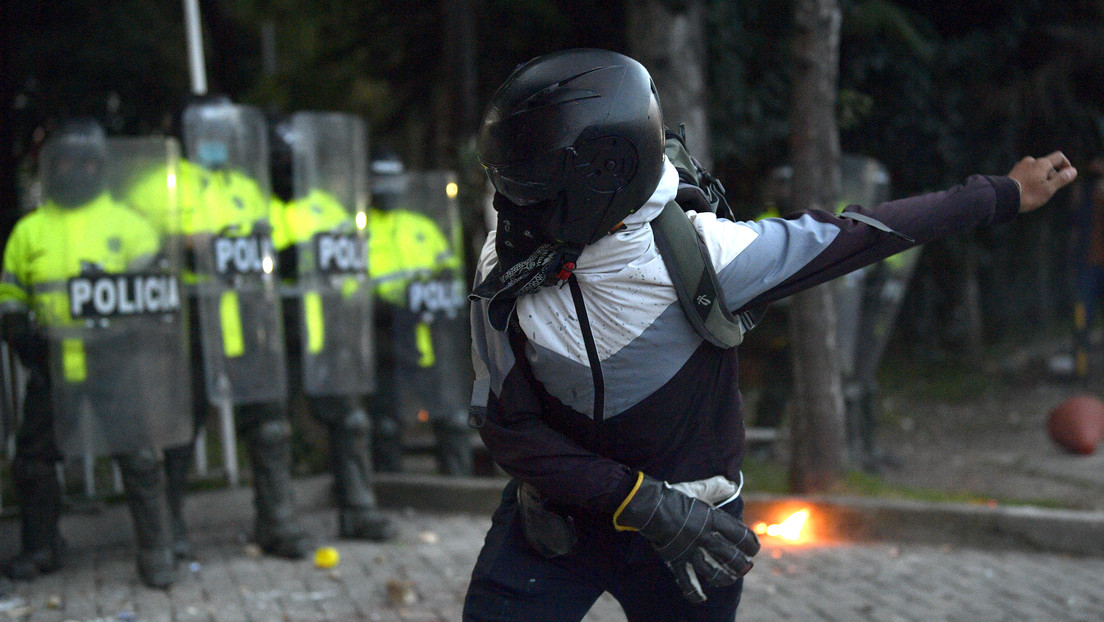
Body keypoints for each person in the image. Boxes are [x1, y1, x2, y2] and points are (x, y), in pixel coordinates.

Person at [462, 48, 1077, 621]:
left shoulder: (706, 257)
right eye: (506, 187)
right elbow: (507, 428)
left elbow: (860, 233)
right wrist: (639, 502)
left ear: (601, 178)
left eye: (528, 192)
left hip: (695, 531)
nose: (509, 211)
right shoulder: (507, 264)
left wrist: (1002, 194)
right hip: (557, 522)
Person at [126, 99, 312, 560]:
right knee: (177, 431)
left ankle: (277, 522)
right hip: (186, 327)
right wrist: (180, 246)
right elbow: (134, 249)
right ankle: (167, 533)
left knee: (268, 425)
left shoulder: (245, 186)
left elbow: (276, 237)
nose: (216, 144)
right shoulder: (159, 186)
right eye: (207, 134)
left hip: (247, 322)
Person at [0, 119, 180, 588]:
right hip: (49, 366)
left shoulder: (131, 226)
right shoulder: (28, 231)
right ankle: (41, 549)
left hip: (113, 363)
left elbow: (154, 298)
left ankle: (157, 550)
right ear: (48, 166)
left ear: (100, 166)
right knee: (34, 463)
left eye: (83, 161)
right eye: (62, 160)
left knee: (139, 458)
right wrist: (20, 335)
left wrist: (129, 338)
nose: (72, 169)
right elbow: (11, 297)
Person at [269, 112, 395, 541]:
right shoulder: (253, 207)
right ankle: (277, 522)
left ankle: (358, 509)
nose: (289, 168)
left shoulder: (324, 207)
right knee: (272, 431)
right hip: (271, 337)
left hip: (326, 334)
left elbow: (350, 266)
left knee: (352, 421)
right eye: (282, 161)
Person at [366, 154, 474, 476]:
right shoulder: (360, 233)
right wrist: (388, 305)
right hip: (385, 343)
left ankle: (459, 489)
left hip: (430, 341)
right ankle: (390, 488)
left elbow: (450, 275)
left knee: (452, 418)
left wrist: (435, 289)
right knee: (385, 424)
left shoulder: (421, 228)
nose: (388, 190)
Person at [1069, 157, 1104, 381]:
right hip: (1087, 265)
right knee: (1082, 317)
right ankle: (1081, 370)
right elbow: (1075, 226)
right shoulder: (1082, 191)